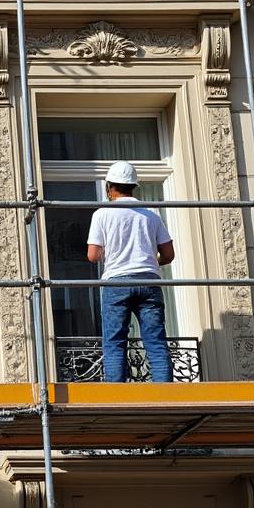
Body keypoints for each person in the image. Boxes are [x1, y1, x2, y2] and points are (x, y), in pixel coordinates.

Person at [86, 161, 176, 383]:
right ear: (134, 187)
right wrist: (150, 260)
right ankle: (166, 395)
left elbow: (93, 255)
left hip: (116, 282)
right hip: (149, 280)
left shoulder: (102, 215)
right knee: (155, 340)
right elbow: (168, 254)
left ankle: (117, 398)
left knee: (115, 341)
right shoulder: (151, 215)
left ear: (109, 187)